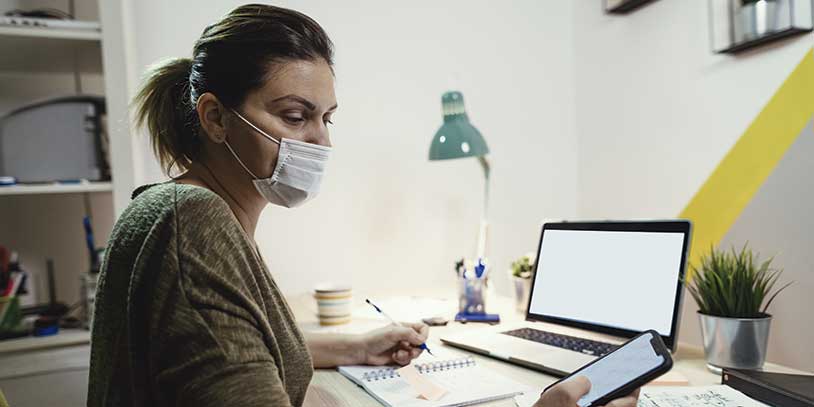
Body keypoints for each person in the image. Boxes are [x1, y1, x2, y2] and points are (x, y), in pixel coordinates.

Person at [87, 4, 639, 407]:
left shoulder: (170, 209)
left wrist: (354, 346)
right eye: (294, 115)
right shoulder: (195, 222)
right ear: (214, 117)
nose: (321, 142)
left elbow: (232, 342)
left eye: (326, 119)